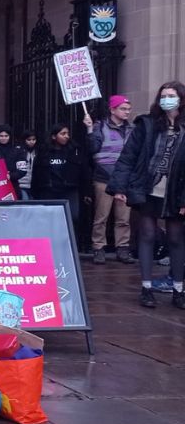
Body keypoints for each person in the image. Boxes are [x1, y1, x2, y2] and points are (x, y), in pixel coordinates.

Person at [108, 81, 185, 309]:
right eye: (163, 95)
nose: (166, 99)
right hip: (149, 189)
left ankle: (179, 289)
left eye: (171, 95)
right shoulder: (148, 124)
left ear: (180, 99)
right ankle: (146, 287)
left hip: (175, 192)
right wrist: (120, 187)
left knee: (175, 238)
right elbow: (128, 156)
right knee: (147, 235)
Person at [85, 95, 135, 264]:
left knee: (123, 218)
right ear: (112, 109)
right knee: (101, 216)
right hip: (104, 177)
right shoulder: (100, 126)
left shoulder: (132, 129)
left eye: (128, 109)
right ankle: (98, 248)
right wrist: (90, 129)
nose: (127, 112)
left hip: (124, 179)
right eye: (123, 108)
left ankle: (123, 248)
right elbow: (92, 148)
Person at [32, 123, 91, 224]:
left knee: (72, 217)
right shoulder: (44, 152)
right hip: (49, 190)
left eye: (67, 133)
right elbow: (37, 173)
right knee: (49, 218)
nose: (66, 136)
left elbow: (83, 171)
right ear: (54, 136)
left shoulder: (74, 151)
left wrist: (87, 191)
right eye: (63, 134)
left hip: (69, 190)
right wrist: (35, 192)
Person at [17, 131, 38, 200]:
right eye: (29, 140)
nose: (31, 142)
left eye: (33, 139)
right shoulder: (18, 151)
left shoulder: (38, 151)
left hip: (34, 185)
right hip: (21, 184)